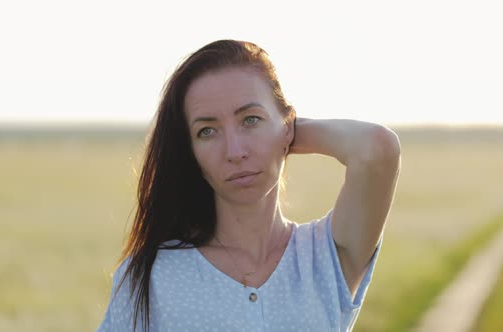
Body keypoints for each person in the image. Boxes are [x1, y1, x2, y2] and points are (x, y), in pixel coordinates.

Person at [97, 39, 401, 332]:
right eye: (207, 131)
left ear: (287, 126)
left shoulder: (324, 257)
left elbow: (377, 148)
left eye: (250, 120)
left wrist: (285, 133)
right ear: (189, 152)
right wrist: (270, 131)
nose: (234, 151)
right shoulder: (152, 276)